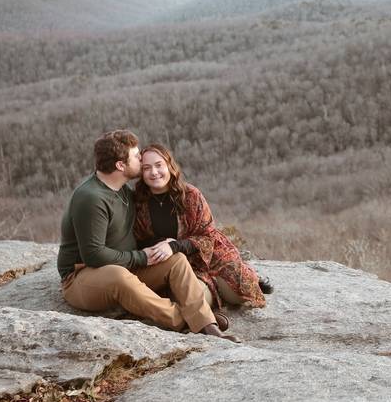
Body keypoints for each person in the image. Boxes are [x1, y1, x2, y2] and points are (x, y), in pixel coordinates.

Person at [56, 130, 235, 340]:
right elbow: (93, 255)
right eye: (136, 156)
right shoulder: (91, 198)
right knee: (118, 276)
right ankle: (184, 319)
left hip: (125, 265)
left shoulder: (121, 189)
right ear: (120, 166)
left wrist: (169, 243)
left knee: (175, 259)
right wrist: (142, 256)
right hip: (82, 276)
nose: (141, 159)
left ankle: (208, 326)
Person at [133, 143, 271, 314]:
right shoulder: (138, 202)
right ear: (141, 173)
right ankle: (213, 289)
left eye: (159, 165)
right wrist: (163, 243)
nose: (154, 172)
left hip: (211, 256)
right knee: (193, 298)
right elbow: (138, 239)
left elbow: (207, 236)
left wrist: (174, 245)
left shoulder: (191, 195)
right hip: (178, 266)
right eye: (147, 168)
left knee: (239, 293)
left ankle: (249, 277)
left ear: (169, 165)